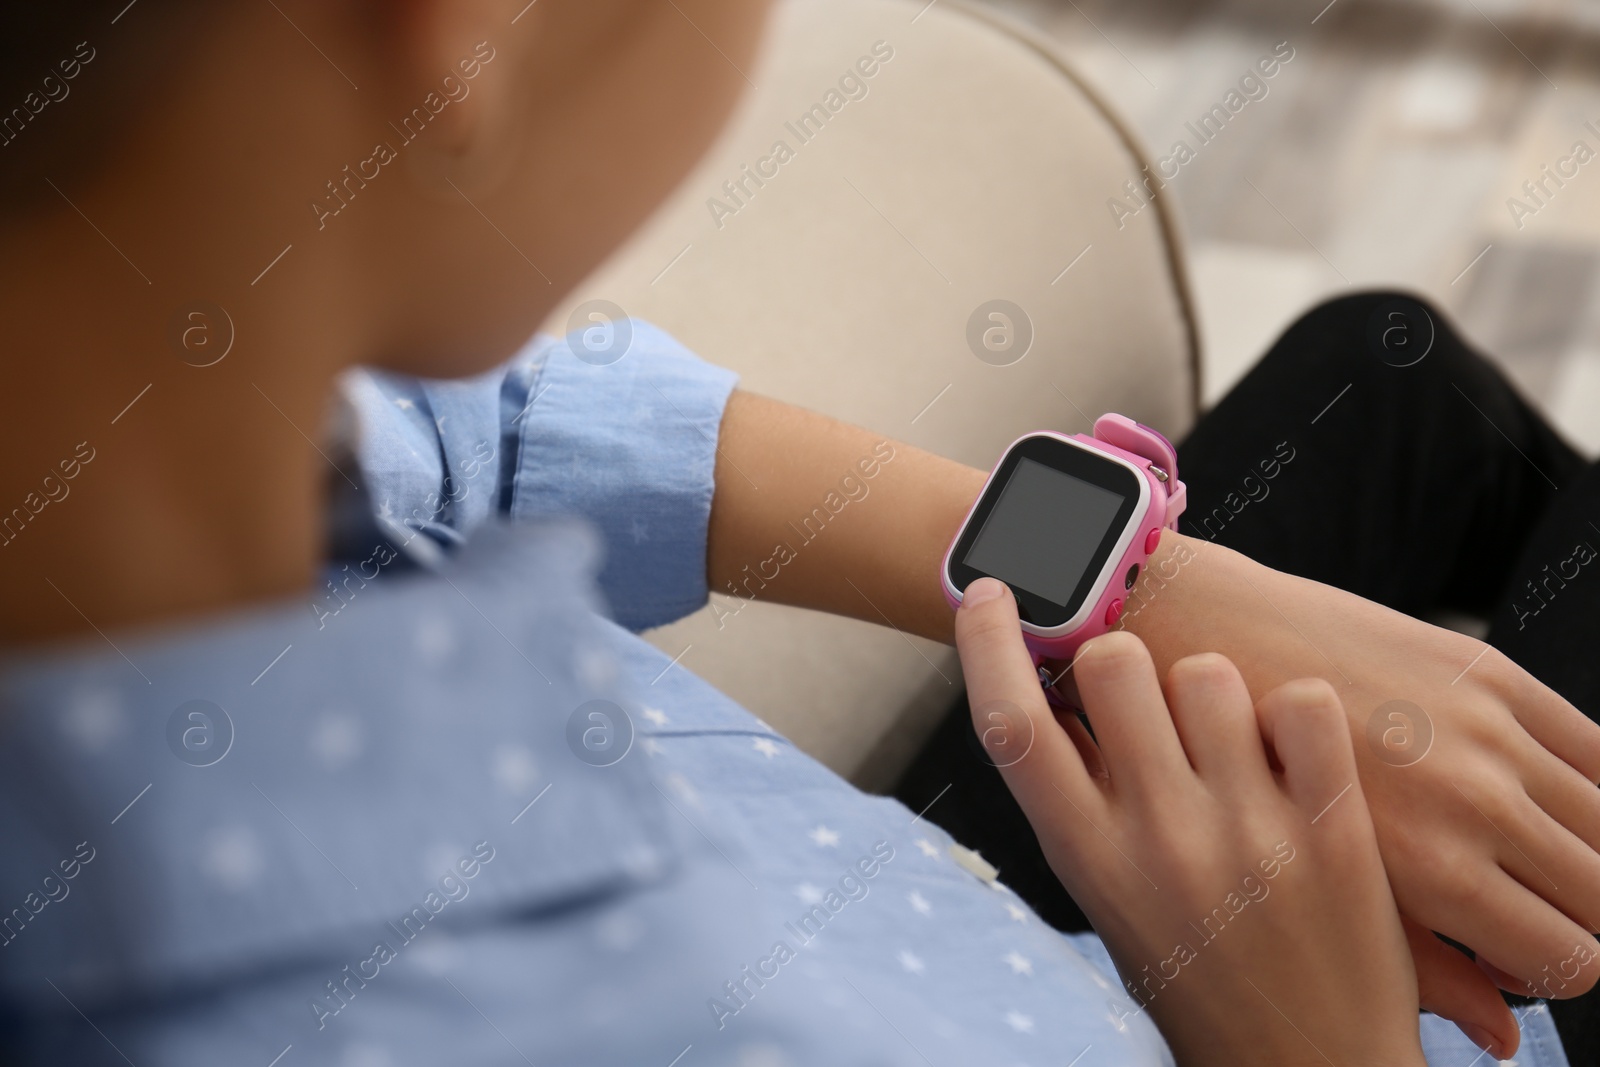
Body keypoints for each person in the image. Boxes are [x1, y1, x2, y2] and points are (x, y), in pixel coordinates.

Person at [0, 1, 1593, 1064]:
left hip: (989, 923)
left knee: (1387, 377)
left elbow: (476, 435)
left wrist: (1131, 591)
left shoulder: (157, 401)